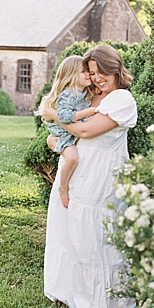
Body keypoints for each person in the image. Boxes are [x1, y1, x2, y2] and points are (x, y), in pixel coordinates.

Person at [40, 44, 137, 308]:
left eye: (100, 72)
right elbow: (68, 137)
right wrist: (54, 141)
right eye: (92, 73)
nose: (96, 79)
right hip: (76, 178)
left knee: (101, 242)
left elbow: (83, 130)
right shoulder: (91, 96)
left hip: (101, 180)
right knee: (74, 238)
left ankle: (106, 305)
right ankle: (77, 297)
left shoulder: (122, 99)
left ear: (115, 67)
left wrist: (52, 113)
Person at [35, 55, 98, 208]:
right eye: (83, 72)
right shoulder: (68, 95)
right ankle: (62, 187)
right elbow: (64, 117)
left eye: (88, 71)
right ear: (71, 76)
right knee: (72, 159)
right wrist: (89, 112)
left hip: (71, 132)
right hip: (64, 134)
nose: (88, 74)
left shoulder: (84, 92)